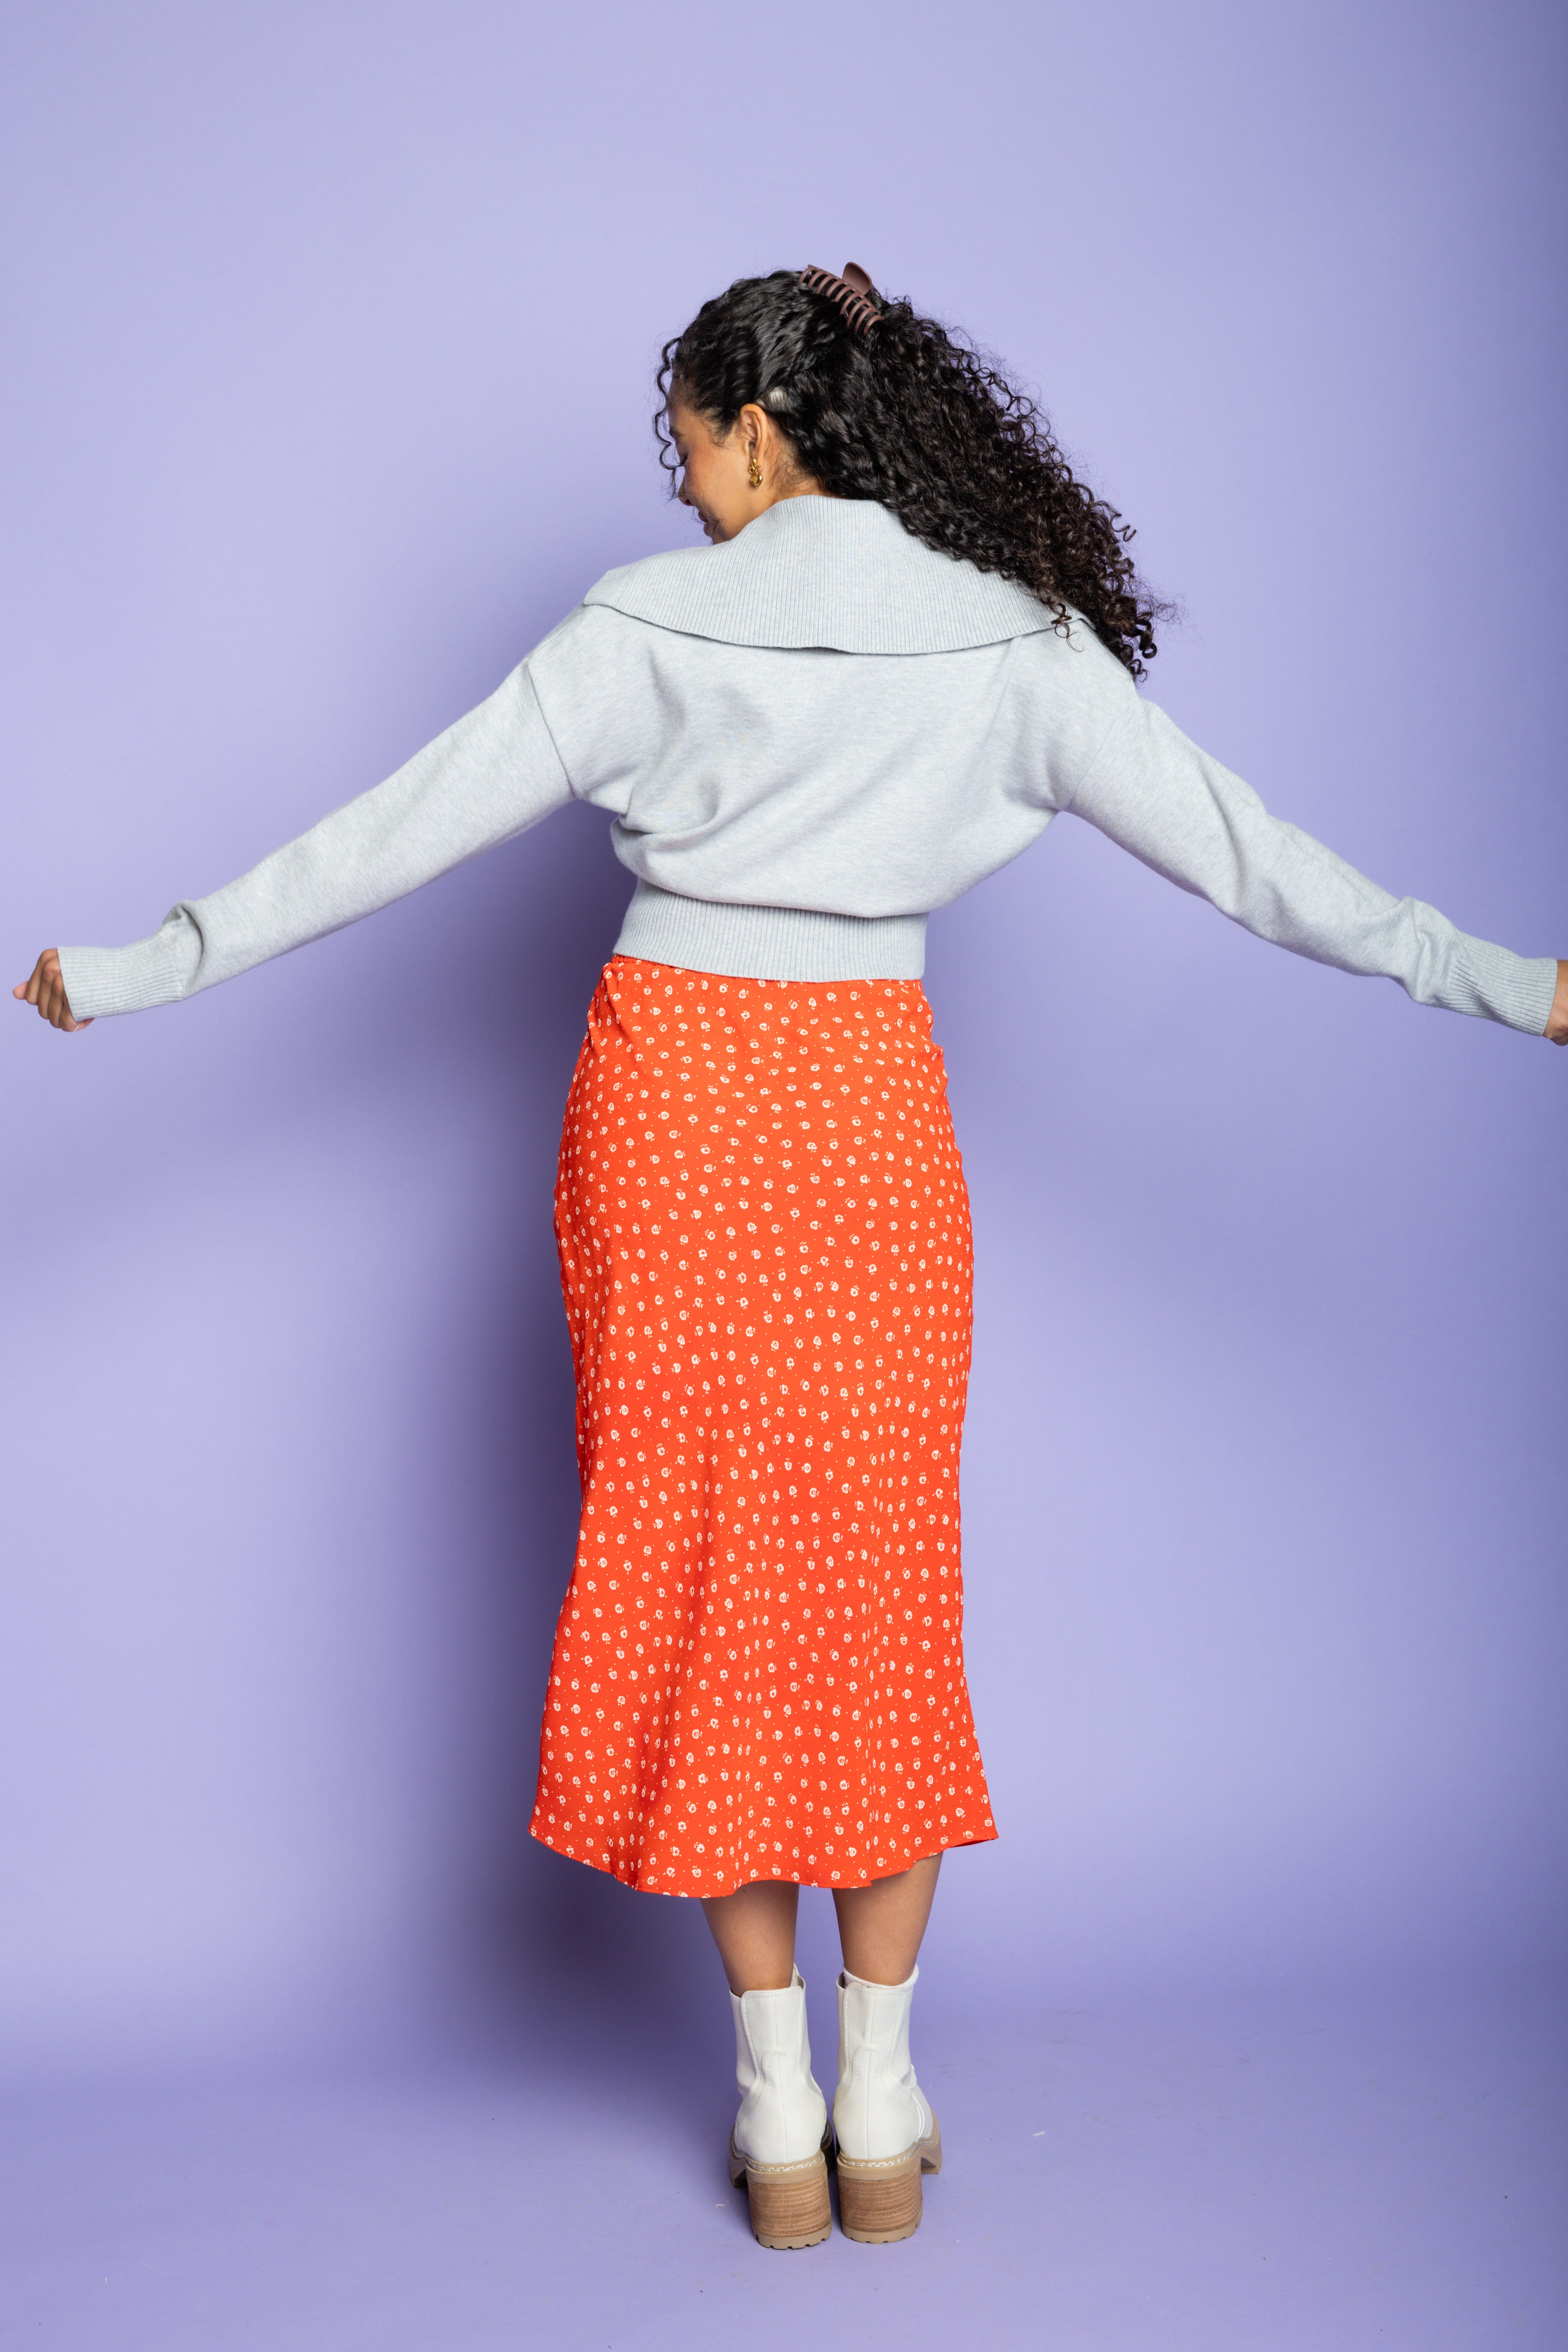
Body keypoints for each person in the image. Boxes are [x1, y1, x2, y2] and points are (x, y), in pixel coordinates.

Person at [16, 264, 1566, 2252]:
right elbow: (1252, 855)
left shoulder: (637, 633)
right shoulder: (1011, 641)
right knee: (876, 1590)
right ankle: (885, 2092)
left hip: (667, 1113)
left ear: (762, 426)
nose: (685, 489)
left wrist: (151, 965)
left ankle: (770, 2109)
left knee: (697, 1587)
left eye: (689, 443)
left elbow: (381, 836)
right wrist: (1499, 979)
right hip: (862, 1128)